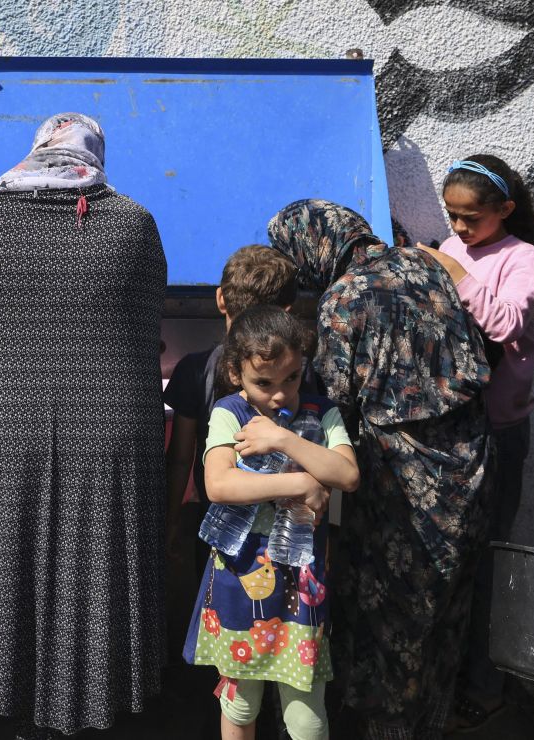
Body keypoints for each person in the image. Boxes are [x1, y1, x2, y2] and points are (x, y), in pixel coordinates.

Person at [0, 113, 168, 738]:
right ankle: (88, 705)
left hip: (0, 435)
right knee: (93, 567)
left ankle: (12, 703)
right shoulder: (132, 223)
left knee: (10, 558)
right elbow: (143, 340)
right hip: (107, 438)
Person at [268, 199, 492, 740]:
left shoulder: (344, 297)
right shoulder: (427, 265)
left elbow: (332, 401)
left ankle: (385, 729)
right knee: (444, 608)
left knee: (391, 612)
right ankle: (432, 723)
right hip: (470, 465)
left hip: (402, 478)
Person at [182, 304, 359, 740]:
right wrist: (302, 482)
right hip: (240, 581)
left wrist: (282, 438)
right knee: (241, 702)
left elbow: (348, 474)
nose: (279, 395)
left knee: (307, 715)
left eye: (291, 379)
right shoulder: (229, 412)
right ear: (235, 372)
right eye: (263, 382)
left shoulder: (322, 413)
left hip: (301, 588)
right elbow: (219, 484)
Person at [420, 154, 534, 731]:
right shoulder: (454, 245)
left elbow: (507, 324)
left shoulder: (520, 257)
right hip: (453, 427)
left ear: (505, 211)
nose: (461, 228)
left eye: (472, 218)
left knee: (489, 551)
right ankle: (446, 675)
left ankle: (487, 684)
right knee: (451, 558)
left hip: (498, 430)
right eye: (453, 216)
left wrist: (453, 271)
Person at [164, 245, 299, 594]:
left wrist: (170, 523)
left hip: (216, 528)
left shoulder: (194, 369)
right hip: (287, 532)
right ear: (286, 312)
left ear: (221, 299)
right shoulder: (297, 373)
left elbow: (180, 459)